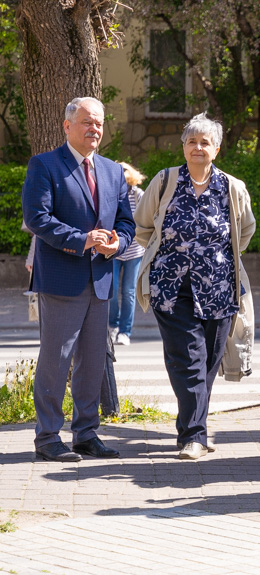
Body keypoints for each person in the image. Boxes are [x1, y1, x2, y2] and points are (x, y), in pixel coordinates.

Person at [135, 113, 256, 460]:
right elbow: (144, 227)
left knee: (208, 363)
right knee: (188, 358)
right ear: (184, 147)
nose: (198, 147)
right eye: (192, 141)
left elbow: (243, 232)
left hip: (220, 289)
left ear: (216, 149)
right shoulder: (164, 182)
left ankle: (191, 426)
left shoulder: (232, 187)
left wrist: (214, 259)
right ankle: (194, 436)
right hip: (170, 288)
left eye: (205, 142)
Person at [22, 96, 135, 462]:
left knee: (92, 360)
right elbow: (37, 218)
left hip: (100, 279)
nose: (94, 129)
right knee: (55, 360)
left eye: (99, 123)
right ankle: (48, 438)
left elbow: (126, 222)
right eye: (87, 122)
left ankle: (86, 434)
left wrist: (117, 243)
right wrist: (82, 241)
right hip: (60, 279)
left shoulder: (112, 171)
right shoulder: (45, 165)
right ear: (67, 126)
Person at [109, 162, 146, 346]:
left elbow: (148, 218)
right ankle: (112, 326)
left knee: (129, 291)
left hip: (135, 250)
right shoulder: (111, 193)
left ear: (131, 173)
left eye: (125, 169)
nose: (121, 173)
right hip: (114, 249)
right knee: (112, 290)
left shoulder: (138, 195)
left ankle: (125, 332)